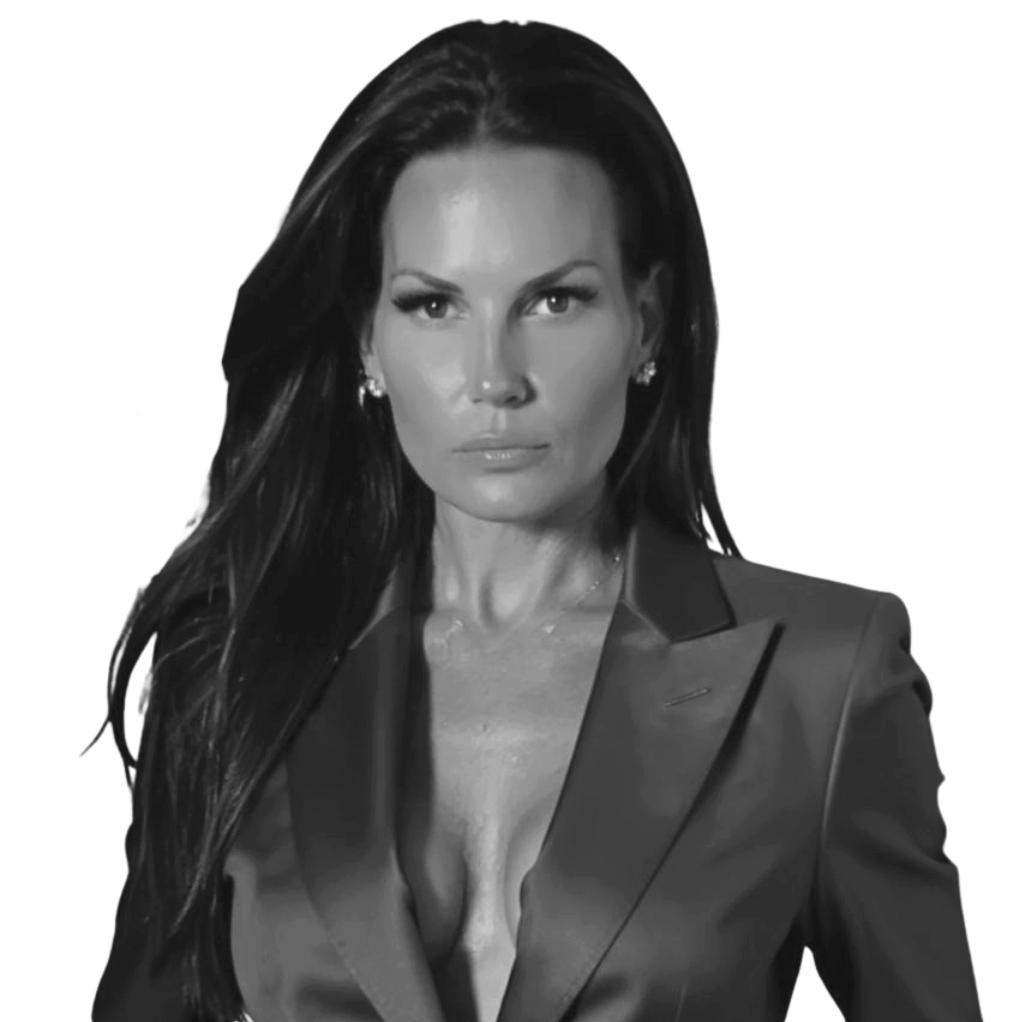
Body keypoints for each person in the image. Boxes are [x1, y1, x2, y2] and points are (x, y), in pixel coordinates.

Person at [78, 18, 982, 1022]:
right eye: (434, 305)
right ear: (367, 341)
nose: (493, 379)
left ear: (645, 323)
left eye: (554, 301)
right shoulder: (234, 674)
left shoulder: (822, 679)